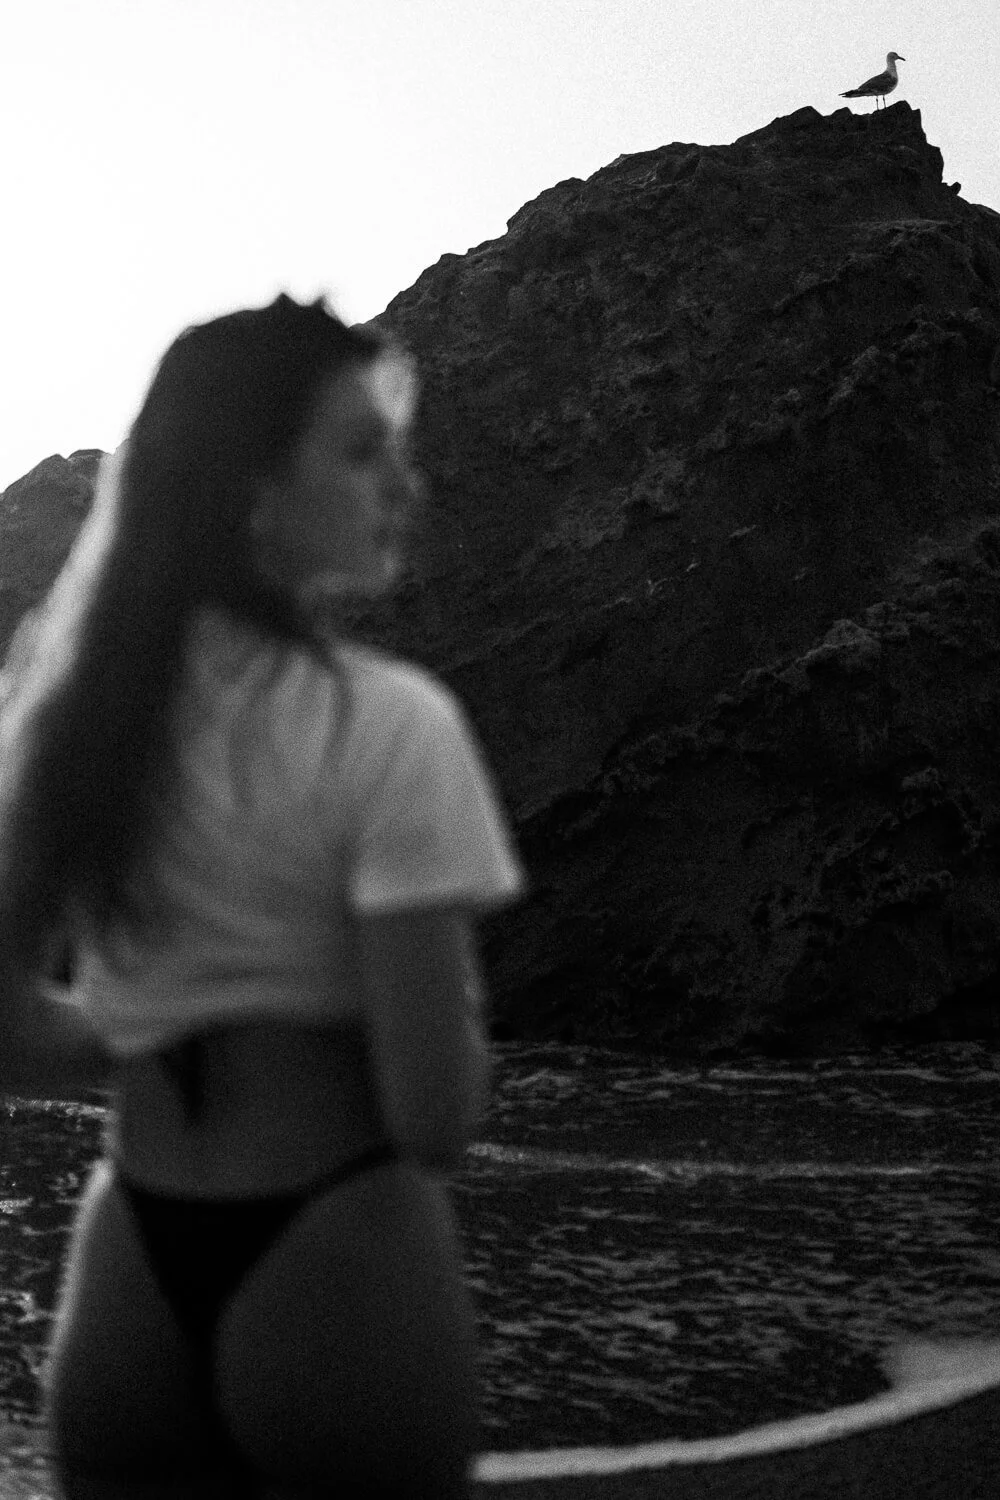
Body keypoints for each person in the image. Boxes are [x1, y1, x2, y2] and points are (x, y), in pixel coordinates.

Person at [0, 294, 524, 1498]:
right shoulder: (387, 724)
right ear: (254, 489)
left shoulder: (69, 725)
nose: (401, 485)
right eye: (361, 451)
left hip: (131, 1252)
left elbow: (5, 1030)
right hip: (336, 1239)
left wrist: (153, 1033)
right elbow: (434, 1113)